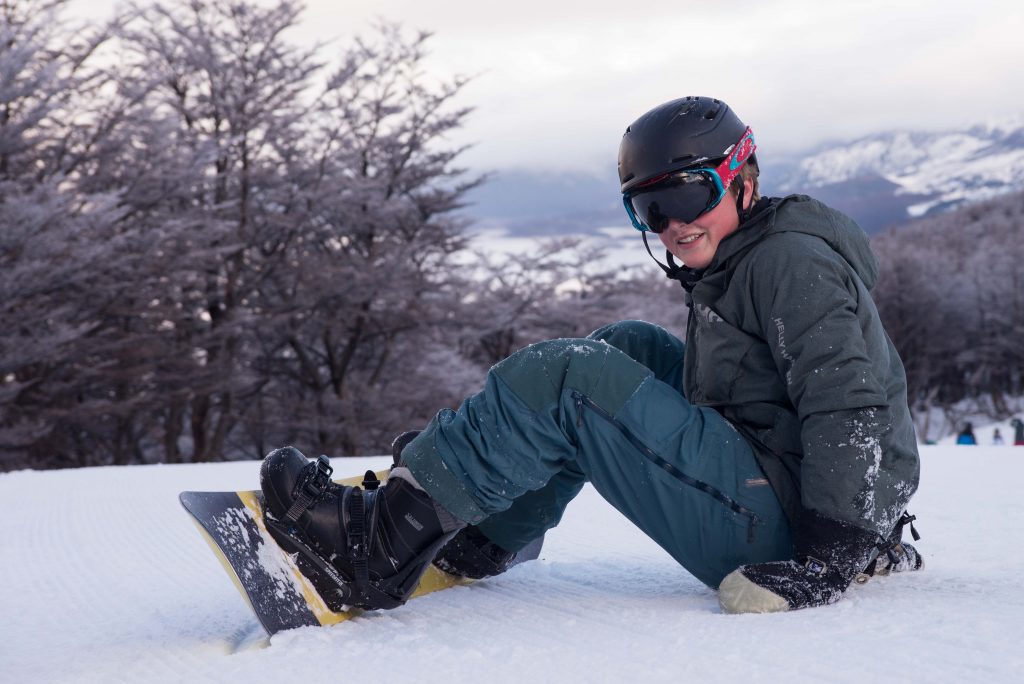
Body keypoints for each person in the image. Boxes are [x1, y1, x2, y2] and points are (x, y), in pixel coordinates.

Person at [259, 96, 923, 616]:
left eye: (688, 196)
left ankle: (372, 552)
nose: (672, 225)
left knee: (568, 377)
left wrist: (831, 556)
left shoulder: (791, 263)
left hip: (792, 530)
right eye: (649, 208)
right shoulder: (748, 252)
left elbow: (852, 404)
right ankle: (487, 532)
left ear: (742, 177)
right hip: (783, 484)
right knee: (623, 344)